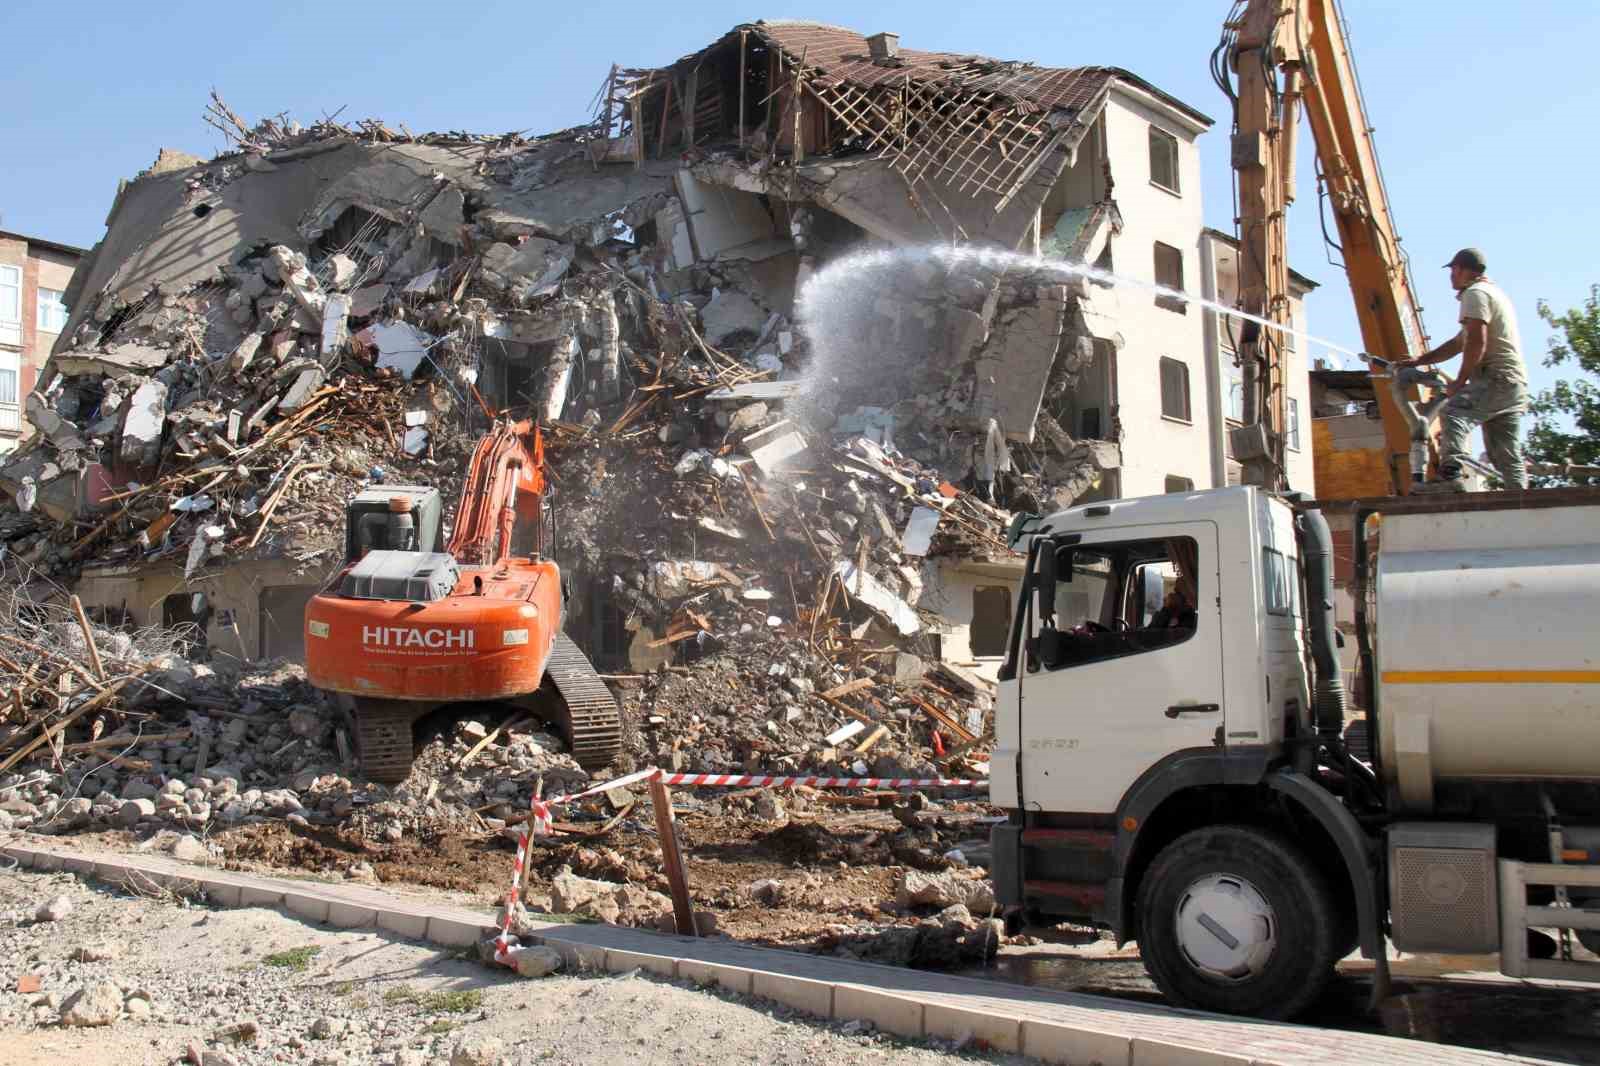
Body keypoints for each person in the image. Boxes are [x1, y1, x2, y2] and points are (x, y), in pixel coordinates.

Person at [1393, 248, 1529, 489]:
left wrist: (1459, 381)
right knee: (1506, 456)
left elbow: (1477, 340)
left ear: (1460, 269)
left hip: (1496, 379)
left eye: (1453, 270)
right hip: (1514, 385)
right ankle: (1522, 504)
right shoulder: (1494, 293)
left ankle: (1451, 475)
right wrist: (1419, 361)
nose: (1451, 277)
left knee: (1452, 410)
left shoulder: (1474, 294)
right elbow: (1459, 343)